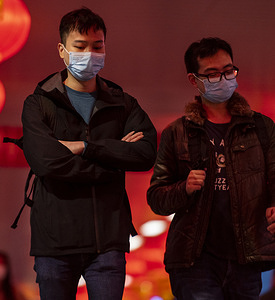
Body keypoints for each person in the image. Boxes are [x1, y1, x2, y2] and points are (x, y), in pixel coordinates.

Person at [21, 7, 157, 300]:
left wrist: (86, 147)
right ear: (62, 50)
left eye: (98, 47)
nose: (90, 54)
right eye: (80, 47)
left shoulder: (123, 104)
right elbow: (46, 162)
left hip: (107, 242)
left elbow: (145, 154)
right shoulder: (39, 104)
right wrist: (112, 162)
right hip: (55, 243)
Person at [146, 37, 275, 299]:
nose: (223, 79)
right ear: (195, 80)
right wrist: (184, 188)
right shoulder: (177, 133)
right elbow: (156, 198)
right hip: (195, 260)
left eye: (228, 71)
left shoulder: (261, 128)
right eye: (213, 74)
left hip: (246, 257)